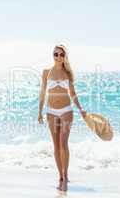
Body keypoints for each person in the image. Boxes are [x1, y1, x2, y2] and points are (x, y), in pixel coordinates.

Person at [38, 44, 86, 191]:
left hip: (66, 111)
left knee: (63, 143)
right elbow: (42, 93)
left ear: (65, 56)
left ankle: (66, 174)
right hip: (51, 112)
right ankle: (60, 174)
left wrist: (81, 108)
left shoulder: (68, 74)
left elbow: (73, 94)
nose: (58, 57)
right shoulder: (46, 72)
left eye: (61, 54)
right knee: (56, 145)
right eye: (55, 54)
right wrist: (39, 112)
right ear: (52, 56)